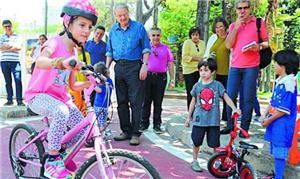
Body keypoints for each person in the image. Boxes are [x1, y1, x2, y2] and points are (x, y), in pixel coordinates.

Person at [25, 0, 98, 178]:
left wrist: (90, 83)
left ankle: (59, 149)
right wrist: (60, 62)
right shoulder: (54, 43)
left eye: (89, 26)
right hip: (38, 96)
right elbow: (41, 61)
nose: (87, 31)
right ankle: (53, 159)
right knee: (61, 111)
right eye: (82, 25)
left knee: (83, 130)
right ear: (68, 23)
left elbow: (73, 86)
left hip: (60, 99)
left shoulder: (74, 53)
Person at [221, 0, 270, 138]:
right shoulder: (232, 26)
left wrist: (258, 46)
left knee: (248, 98)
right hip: (235, 67)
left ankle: (244, 128)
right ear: (236, 10)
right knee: (230, 96)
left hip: (251, 66)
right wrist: (236, 28)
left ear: (250, 8)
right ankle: (230, 126)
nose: (242, 11)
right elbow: (228, 45)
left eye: (245, 8)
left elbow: (266, 42)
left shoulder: (258, 23)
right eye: (239, 8)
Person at [106, 3, 151, 145]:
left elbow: (146, 48)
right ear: (116, 16)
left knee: (136, 101)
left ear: (128, 12)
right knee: (121, 101)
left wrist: (144, 66)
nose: (123, 17)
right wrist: (107, 68)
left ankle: (135, 133)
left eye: (124, 14)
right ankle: (125, 131)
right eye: (119, 15)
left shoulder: (139, 27)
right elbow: (109, 52)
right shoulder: (113, 30)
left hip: (135, 67)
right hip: (119, 67)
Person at [184, 58, 240, 172]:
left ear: (213, 71)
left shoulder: (217, 85)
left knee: (214, 144)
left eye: (206, 70)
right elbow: (193, 101)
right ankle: (194, 160)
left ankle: (216, 161)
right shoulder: (197, 86)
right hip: (199, 120)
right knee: (196, 142)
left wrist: (234, 108)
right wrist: (188, 117)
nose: (203, 73)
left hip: (213, 121)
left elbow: (226, 97)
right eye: (200, 70)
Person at [261, 50, 299, 179]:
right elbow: (273, 101)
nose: (274, 66)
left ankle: (279, 176)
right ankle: (277, 174)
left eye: (275, 63)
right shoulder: (280, 80)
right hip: (275, 121)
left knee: (280, 151)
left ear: (283, 66)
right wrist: (265, 114)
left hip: (282, 124)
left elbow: (284, 109)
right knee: (276, 149)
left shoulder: (289, 83)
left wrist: (269, 120)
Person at [140, 27, 175, 134]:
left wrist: (172, 79)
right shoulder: (145, 49)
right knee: (146, 101)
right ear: (149, 37)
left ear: (160, 36)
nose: (156, 37)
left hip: (161, 77)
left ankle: (157, 125)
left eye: (158, 35)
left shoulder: (166, 48)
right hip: (147, 77)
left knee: (158, 102)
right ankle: (143, 124)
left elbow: (170, 64)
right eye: (153, 35)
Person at [204, 16, 230, 121]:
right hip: (213, 72)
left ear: (225, 27)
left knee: (226, 96)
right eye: (217, 27)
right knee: (211, 96)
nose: (219, 29)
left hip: (227, 72)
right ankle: (212, 117)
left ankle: (226, 118)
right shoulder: (213, 38)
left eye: (221, 26)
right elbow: (207, 53)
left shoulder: (230, 37)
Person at [0, 19, 24, 106]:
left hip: (15, 62)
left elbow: (19, 47)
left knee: (18, 81)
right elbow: (0, 47)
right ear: (3, 27)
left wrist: (7, 46)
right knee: (8, 82)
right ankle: (10, 100)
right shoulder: (1, 37)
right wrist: (12, 46)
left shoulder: (17, 36)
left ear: (11, 26)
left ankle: (19, 101)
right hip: (4, 62)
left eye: (9, 26)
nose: (7, 28)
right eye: (5, 26)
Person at [182, 26, 206, 110]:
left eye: (196, 34)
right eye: (193, 35)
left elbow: (205, 56)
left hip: (200, 71)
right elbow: (185, 57)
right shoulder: (187, 43)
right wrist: (198, 59)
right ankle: (191, 113)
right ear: (190, 36)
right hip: (189, 71)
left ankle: (200, 111)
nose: (195, 36)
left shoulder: (203, 43)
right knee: (191, 92)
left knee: (201, 92)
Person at [68, 45, 91, 116]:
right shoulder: (71, 55)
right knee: (75, 104)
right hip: (73, 84)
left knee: (83, 104)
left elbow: (89, 68)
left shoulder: (86, 55)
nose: (80, 45)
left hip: (82, 83)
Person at [93, 62, 113, 131]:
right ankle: (103, 133)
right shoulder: (109, 81)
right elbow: (111, 87)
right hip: (105, 105)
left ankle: (100, 135)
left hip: (99, 105)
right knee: (103, 121)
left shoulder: (101, 84)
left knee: (99, 122)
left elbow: (99, 90)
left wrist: (93, 85)